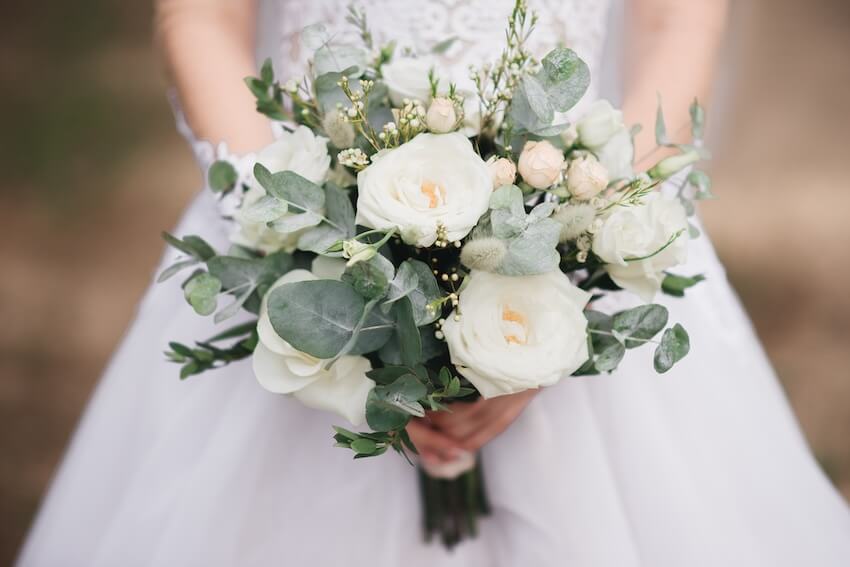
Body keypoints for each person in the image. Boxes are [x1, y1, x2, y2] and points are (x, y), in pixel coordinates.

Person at [16, 1, 850, 565]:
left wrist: (577, 271)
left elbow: (676, 25)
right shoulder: (294, 222)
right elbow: (197, 15)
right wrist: (293, 226)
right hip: (299, 225)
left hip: (581, 210)